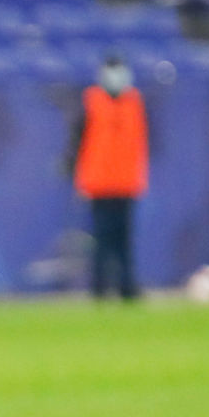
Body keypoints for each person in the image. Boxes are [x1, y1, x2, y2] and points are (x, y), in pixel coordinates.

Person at [68, 54, 148, 301]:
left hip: (125, 183)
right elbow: (78, 143)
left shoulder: (134, 102)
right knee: (102, 241)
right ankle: (100, 289)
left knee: (123, 241)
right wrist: (78, 176)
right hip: (99, 183)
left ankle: (126, 287)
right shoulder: (91, 103)